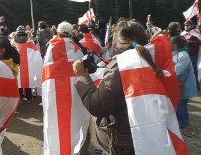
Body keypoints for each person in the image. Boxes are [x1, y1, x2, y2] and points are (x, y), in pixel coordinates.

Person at [73, 20, 187, 155]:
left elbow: (97, 105)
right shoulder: (149, 57)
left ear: (118, 40)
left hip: (126, 139)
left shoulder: (124, 66)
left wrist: (81, 76)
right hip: (148, 132)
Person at [42, 21, 90, 155]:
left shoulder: (51, 46)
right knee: (74, 120)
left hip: (53, 92)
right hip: (74, 91)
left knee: (54, 122)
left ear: (58, 32)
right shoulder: (78, 49)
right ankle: (74, 148)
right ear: (70, 33)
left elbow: (45, 70)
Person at [170, 35, 197, 128]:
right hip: (178, 84)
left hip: (184, 85)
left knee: (182, 103)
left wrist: (164, 73)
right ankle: (181, 121)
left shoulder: (183, 55)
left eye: (170, 43)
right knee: (179, 103)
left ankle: (183, 122)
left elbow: (178, 71)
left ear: (175, 44)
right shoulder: (175, 53)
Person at [13, 26, 43, 103]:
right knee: (27, 81)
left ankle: (21, 98)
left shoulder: (13, 44)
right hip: (28, 68)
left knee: (19, 81)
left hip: (17, 66)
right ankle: (28, 98)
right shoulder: (30, 44)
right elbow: (37, 56)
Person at [181, 20, 201, 91]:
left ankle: (196, 85)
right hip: (183, 55)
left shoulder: (195, 33)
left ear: (191, 25)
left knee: (193, 70)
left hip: (193, 55)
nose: (186, 27)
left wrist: (188, 41)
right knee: (184, 70)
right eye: (185, 25)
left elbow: (198, 43)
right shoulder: (183, 33)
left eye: (188, 25)